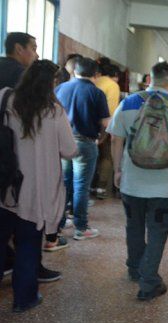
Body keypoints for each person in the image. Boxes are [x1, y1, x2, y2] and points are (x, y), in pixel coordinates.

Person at [108, 61, 168, 300]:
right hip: (164, 185)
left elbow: (115, 139)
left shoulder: (128, 103)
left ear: (148, 80)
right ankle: (149, 281)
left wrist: (117, 171)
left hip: (132, 182)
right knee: (158, 232)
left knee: (134, 226)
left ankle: (134, 269)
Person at [0, 60, 78, 312]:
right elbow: (69, 149)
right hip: (35, 191)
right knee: (27, 245)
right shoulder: (54, 111)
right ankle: (24, 299)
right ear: (51, 83)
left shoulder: (5, 98)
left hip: (3, 184)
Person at [1, 32, 61, 281]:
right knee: (25, 221)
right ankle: (29, 271)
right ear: (18, 48)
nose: (36, 54)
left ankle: (10, 262)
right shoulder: (19, 77)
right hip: (16, 161)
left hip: (3, 155)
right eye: (33, 48)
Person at [55, 57, 110, 240]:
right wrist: (100, 139)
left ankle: (59, 223)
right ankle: (81, 227)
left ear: (75, 70)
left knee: (63, 184)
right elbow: (105, 123)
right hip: (85, 143)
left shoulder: (61, 88)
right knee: (81, 186)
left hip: (62, 143)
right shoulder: (96, 93)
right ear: (96, 74)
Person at [94, 62, 121, 199]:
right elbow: (111, 111)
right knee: (107, 157)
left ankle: (91, 185)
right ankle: (101, 187)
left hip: (89, 125)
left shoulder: (94, 80)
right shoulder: (113, 85)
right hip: (104, 126)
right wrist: (109, 132)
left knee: (93, 157)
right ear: (115, 75)